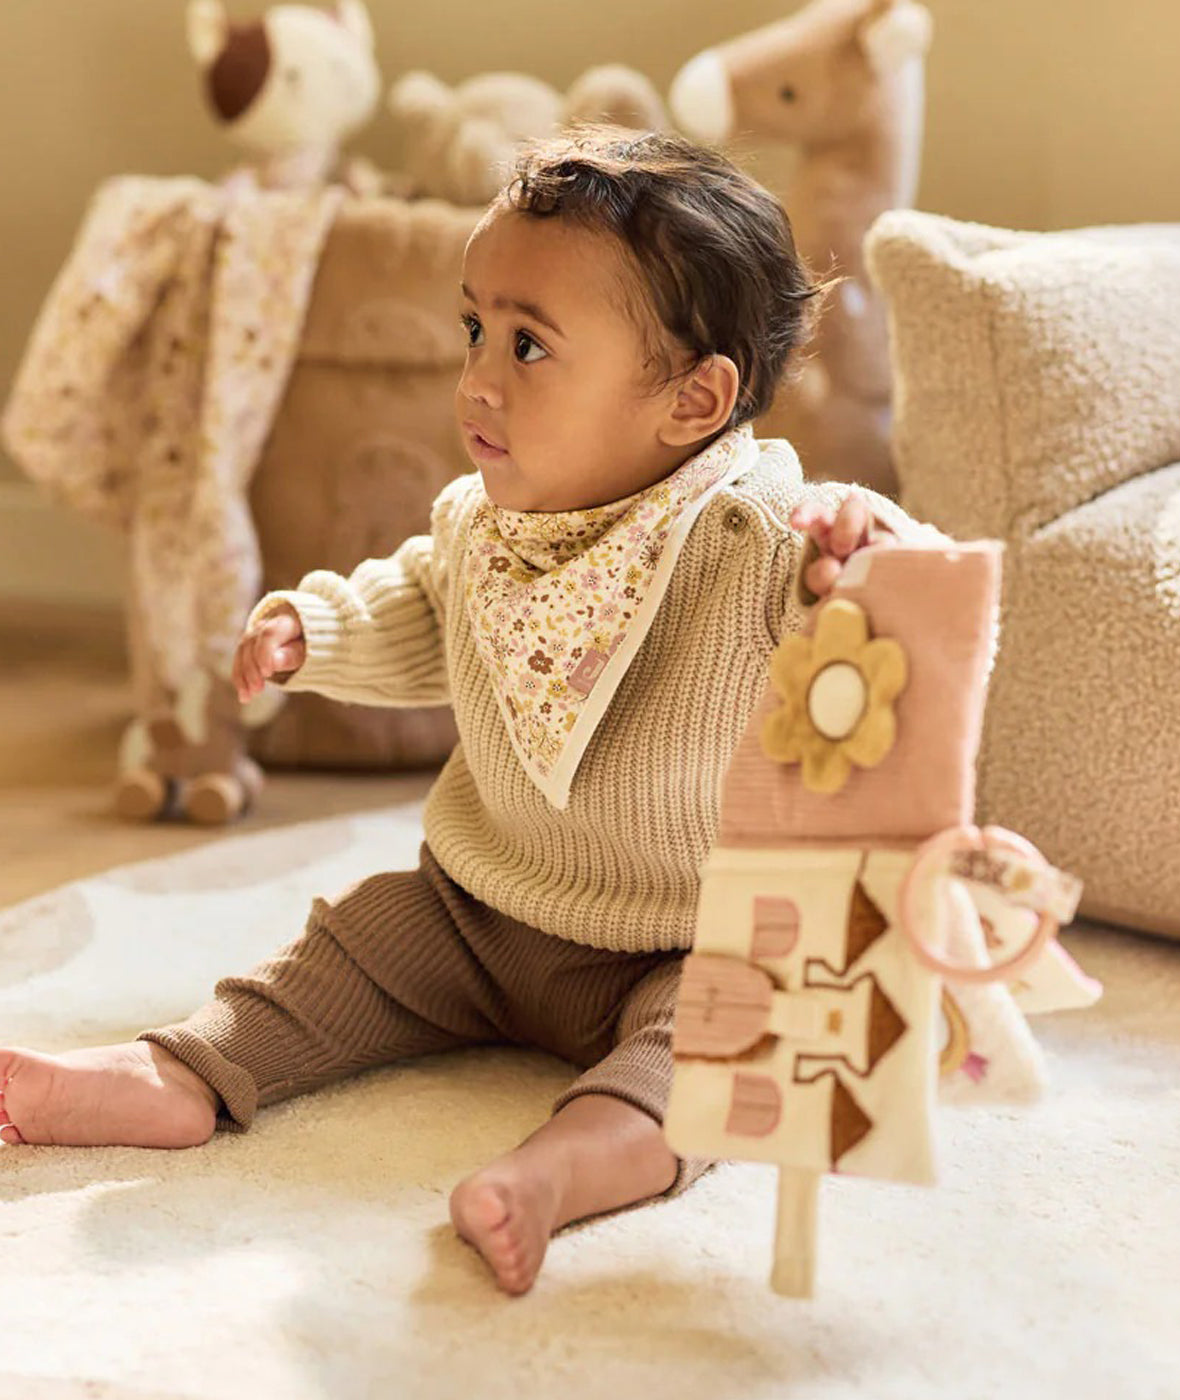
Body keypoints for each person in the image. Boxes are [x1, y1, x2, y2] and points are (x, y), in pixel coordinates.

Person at [0, 126, 945, 1295]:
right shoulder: (487, 520)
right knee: (342, 948)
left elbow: (898, 637)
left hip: (686, 931)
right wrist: (320, 629)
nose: (478, 379)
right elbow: (431, 603)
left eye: (531, 345)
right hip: (486, 908)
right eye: (475, 329)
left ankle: (561, 1166)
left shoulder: (762, 537)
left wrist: (870, 567)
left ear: (695, 400)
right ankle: (181, 1072)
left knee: (722, 1045)